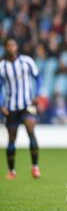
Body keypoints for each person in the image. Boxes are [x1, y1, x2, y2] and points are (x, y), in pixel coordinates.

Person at [0, 38, 42, 180]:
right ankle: (12, 170)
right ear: (5, 48)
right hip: (11, 106)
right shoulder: (2, 66)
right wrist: (1, 104)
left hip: (27, 104)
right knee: (12, 139)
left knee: (31, 130)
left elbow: (37, 78)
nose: (11, 48)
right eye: (8, 46)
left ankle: (35, 167)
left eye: (13, 45)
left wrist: (37, 94)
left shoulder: (27, 61)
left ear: (17, 46)